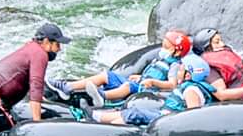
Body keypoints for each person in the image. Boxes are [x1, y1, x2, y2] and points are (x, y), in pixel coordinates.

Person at [0, 22, 71, 133]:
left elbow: (31, 86)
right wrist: (38, 126)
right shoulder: (40, 53)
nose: (59, 49)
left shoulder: (29, 48)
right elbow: (35, 88)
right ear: (46, 41)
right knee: (8, 135)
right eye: (57, 44)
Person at [50, 30, 190, 107]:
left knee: (127, 86)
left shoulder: (175, 65)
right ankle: (68, 87)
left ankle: (103, 97)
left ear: (177, 52)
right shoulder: (160, 59)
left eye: (166, 47)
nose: (162, 49)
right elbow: (149, 74)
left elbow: (172, 85)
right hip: (140, 83)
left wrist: (153, 82)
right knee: (106, 75)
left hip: (147, 90)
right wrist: (140, 77)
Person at [93, 54, 215, 125]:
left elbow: (193, 115)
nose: (178, 71)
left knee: (136, 113)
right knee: (135, 111)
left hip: (167, 120)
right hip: (165, 115)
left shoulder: (191, 90)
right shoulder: (189, 87)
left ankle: (97, 118)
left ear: (188, 75)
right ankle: (98, 119)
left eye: (181, 69)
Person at [193, 28, 243, 101]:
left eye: (221, 41)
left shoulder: (226, 54)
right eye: (217, 42)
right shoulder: (208, 68)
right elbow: (221, 94)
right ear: (207, 48)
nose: (222, 44)